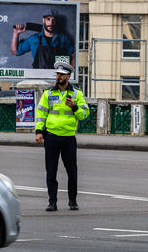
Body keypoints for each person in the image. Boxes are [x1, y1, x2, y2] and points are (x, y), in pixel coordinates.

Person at [35, 61, 89, 211]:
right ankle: (52, 202)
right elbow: (41, 113)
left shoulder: (77, 94)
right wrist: (39, 131)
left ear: (68, 76)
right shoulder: (48, 93)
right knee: (50, 171)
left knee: (71, 171)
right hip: (51, 137)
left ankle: (73, 201)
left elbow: (85, 114)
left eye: (61, 75)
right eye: (57, 74)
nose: (58, 77)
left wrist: (75, 107)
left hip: (68, 138)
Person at [11, 9, 75, 69]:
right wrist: (16, 33)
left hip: (56, 77)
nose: (51, 23)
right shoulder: (34, 39)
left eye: (53, 20)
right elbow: (15, 51)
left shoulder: (62, 39)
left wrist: (71, 73)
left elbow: (73, 55)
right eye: (48, 19)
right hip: (38, 77)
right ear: (43, 20)